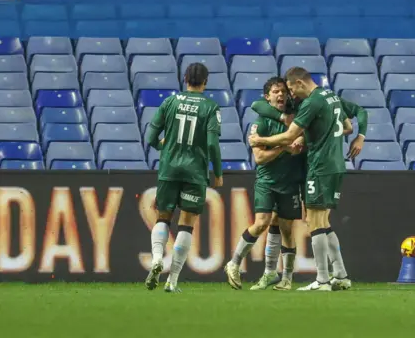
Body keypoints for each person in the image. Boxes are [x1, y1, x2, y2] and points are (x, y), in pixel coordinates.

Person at [249, 78, 368, 285]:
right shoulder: (329, 97)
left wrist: (261, 141)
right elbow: (256, 104)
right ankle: (340, 275)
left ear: (299, 83)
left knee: (314, 222)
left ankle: (322, 279)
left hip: (319, 167)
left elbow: (289, 136)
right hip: (332, 166)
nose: (289, 95)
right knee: (323, 222)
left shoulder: (312, 102)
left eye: (291, 90)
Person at [144, 62, 224, 293]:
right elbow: (212, 144)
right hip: (195, 172)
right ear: (206, 82)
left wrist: (163, 147)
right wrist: (217, 173)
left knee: (163, 217)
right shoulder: (210, 107)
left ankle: (157, 258)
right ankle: (173, 281)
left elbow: (150, 137)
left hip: (169, 169)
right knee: (186, 224)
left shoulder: (170, 102)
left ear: (185, 78)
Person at [223, 77, 305, 291]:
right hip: (267, 181)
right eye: (276, 91)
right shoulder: (260, 123)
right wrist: (284, 147)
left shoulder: (296, 119)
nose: (280, 95)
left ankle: (284, 278)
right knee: (261, 223)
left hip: (290, 181)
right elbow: (259, 158)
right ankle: (234, 263)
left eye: (283, 92)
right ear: (267, 96)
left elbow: (300, 145)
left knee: (286, 229)